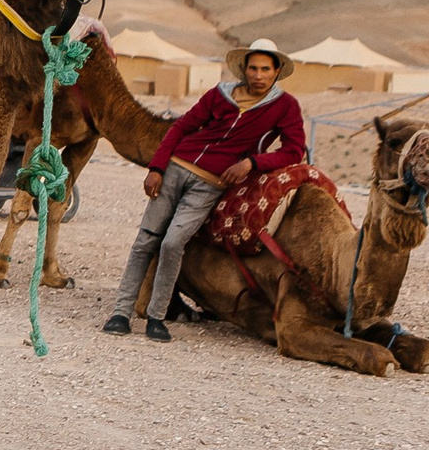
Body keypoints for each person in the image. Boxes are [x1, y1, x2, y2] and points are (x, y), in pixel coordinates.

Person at [105, 38, 307, 342]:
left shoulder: (285, 106)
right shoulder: (220, 95)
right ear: (244, 69)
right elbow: (181, 127)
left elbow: (294, 150)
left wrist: (252, 163)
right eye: (253, 68)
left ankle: (157, 317)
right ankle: (120, 312)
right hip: (174, 170)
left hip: (210, 185)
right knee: (146, 240)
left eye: (265, 69)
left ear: (276, 71)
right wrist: (157, 168)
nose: (258, 75)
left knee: (173, 243)